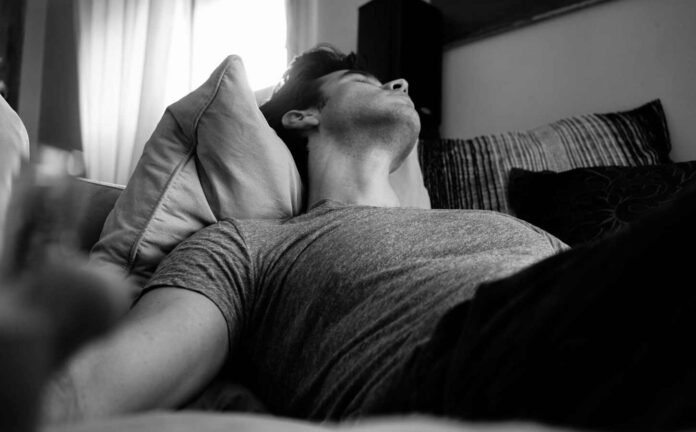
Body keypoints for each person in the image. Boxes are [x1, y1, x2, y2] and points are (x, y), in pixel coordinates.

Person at [40, 45, 696, 431]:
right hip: (450, 369)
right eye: (369, 81)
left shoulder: (497, 222)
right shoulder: (249, 244)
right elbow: (93, 393)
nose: (402, 83)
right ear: (304, 114)